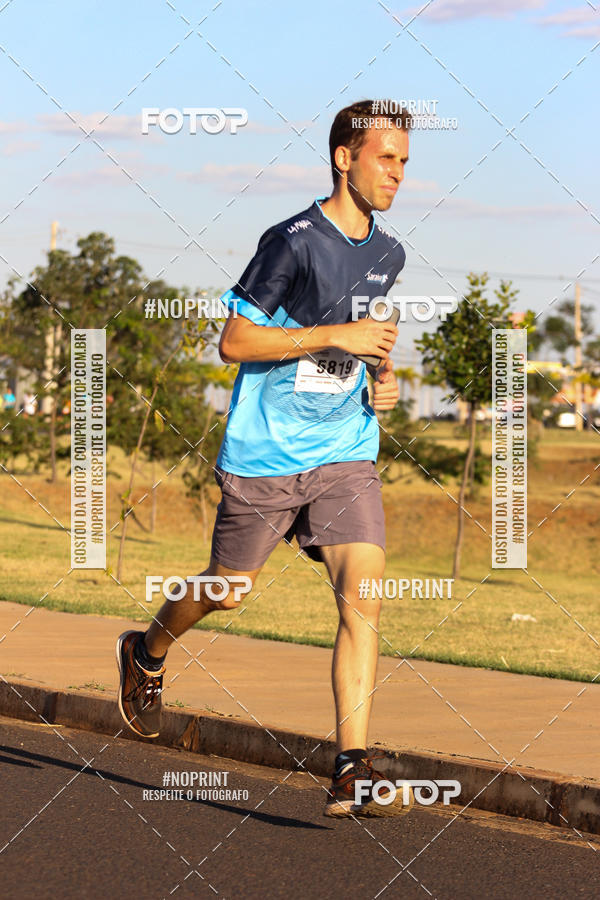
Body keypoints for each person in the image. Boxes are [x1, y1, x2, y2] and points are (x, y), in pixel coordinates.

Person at [117, 99, 413, 818]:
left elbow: (365, 338)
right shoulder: (291, 241)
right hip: (266, 452)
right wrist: (332, 333)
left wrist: (383, 375)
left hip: (346, 449)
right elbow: (237, 343)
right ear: (344, 157)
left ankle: (350, 767)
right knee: (229, 588)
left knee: (364, 599)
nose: (398, 175)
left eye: (405, 162)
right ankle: (147, 650)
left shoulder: (390, 253)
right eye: (386, 158)